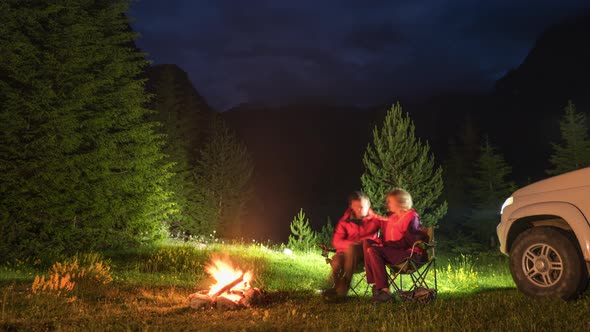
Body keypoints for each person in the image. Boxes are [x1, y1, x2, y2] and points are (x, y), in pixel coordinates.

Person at [361, 188, 426, 303]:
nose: (388, 204)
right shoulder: (392, 218)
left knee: (373, 250)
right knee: (368, 242)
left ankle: (385, 291)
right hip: (394, 251)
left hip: (410, 254)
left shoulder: (411, 216)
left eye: (391, 201)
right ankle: (377, 286)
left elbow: (411, 240)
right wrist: (379, 241)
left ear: (400, 202)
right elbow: (385, 238)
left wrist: (386, 245)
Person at [327, 191, 384, 298]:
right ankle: (336, 288)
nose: (359, 209)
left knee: (352, 248)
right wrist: (351, 244)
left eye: (361, 207)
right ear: (351, 206)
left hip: (366, 257)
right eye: (356, 206)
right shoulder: (345, 222)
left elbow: (391, 227)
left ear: (368, 205)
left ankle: (341, 290)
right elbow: (336, 241)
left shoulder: (375, 220)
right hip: (345, 255)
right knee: (336, 261)